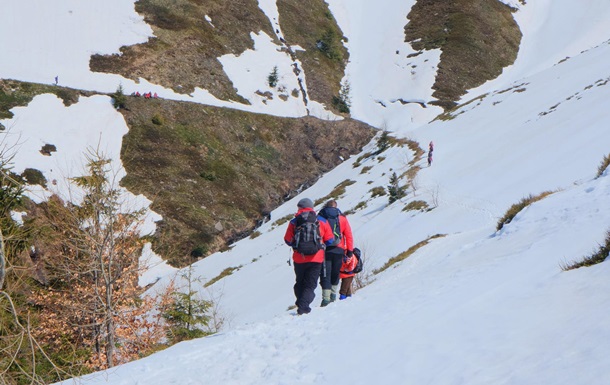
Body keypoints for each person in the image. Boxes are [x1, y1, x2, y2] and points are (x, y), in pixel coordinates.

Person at [284, 198, 334, 315]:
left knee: (299, 282)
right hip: (316, 258)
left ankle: (301, 304)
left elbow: (287, 240)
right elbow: (330, 239)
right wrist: (320, 246)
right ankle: (303, 306)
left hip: (299, 258)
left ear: (300, 208)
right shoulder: (320, 220)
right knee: (310, 285)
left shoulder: (294, 221)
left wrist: (297, 245)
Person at [317, 200, 354, 307]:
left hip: (325, 250)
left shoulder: (321, 218)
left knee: (325, 274)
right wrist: (350, 251)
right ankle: (333, 295)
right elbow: (349, 235)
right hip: (339, 249)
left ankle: (326, 299)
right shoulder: (342, 218)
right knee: (335, 273)